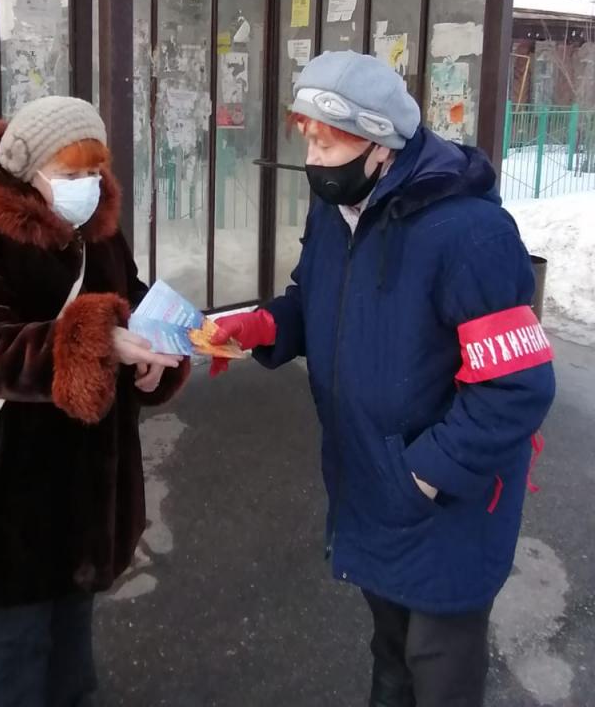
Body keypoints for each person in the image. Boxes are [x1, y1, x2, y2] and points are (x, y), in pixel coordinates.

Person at [210, 51, 555, 707]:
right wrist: (262, 327)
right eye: (305, 134)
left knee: (438, 668)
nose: (312, 154)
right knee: (390, 655)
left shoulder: (469, 234)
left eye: (328, 138)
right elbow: (319, 305)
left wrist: (420, 474)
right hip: (374, 477)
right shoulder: (335, 214)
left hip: (446, 497)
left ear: (380, 144)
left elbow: (516, 387)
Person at [0, 96, 188, 707]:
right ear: (28, 170)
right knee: (11, 661)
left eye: (95, 172)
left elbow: (130, 299)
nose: (88, 187)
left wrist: (159, 353)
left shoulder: (98, 229)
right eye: (72, 174)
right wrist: (97, 339)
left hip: (90, 486)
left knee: (72, 657)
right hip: (11, 490)